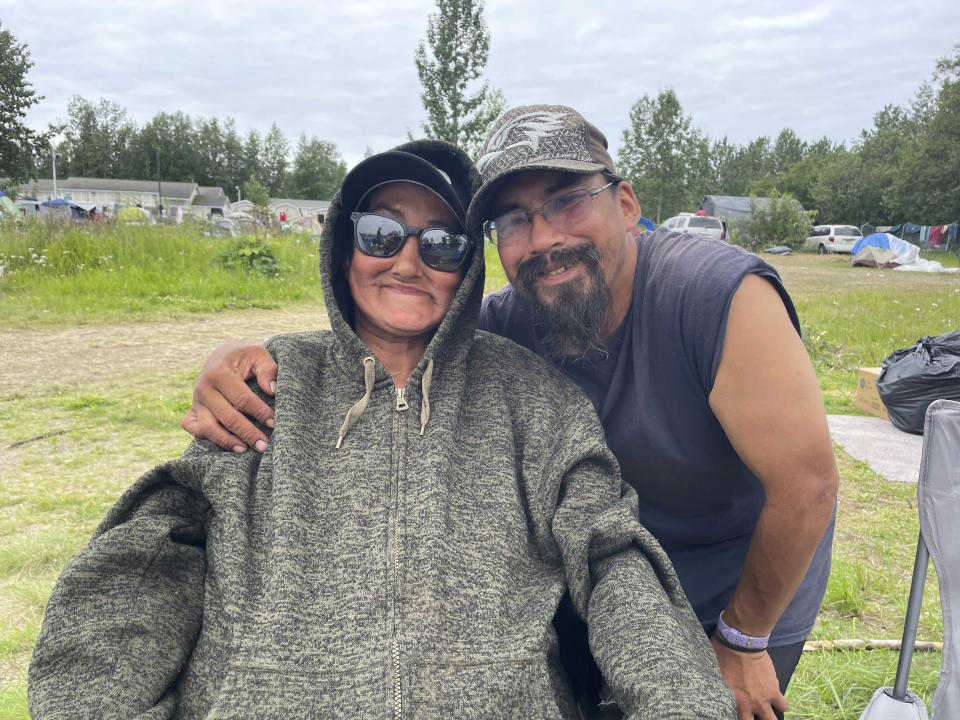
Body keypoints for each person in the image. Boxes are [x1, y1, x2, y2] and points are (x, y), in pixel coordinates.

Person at [29, 140, 736, 719]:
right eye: (381, 233)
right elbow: (143, 575)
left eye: (440, 242)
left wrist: (679, 703)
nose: (406, 260)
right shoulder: (265, 386)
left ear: (468, 263)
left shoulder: (536, 403)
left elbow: (616, 567)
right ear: (344, 245)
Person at [182, 105, 840, 720]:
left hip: (742, 585)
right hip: (590, 581)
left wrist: (745, 639)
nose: (544, 238)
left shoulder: (715, 295)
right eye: (515, 220)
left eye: (565, 201)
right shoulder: (509, 325)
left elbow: (807, 488)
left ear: (627, 202)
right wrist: (249, 360)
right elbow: (395, 326)